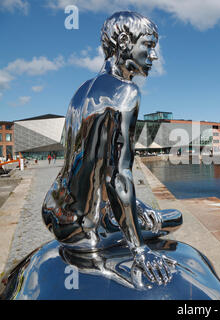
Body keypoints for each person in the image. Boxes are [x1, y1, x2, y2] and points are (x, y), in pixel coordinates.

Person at [42, 12, 172, 286]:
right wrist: (139, 249)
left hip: (55, 212)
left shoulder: (81, 91)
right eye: (148, 45)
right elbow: (118, 175)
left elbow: (86, 166)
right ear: (125, 41)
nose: (154, 55)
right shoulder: (126, 92)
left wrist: (135, 205)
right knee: (169, 219)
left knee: (143, 211)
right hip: (85, 228)